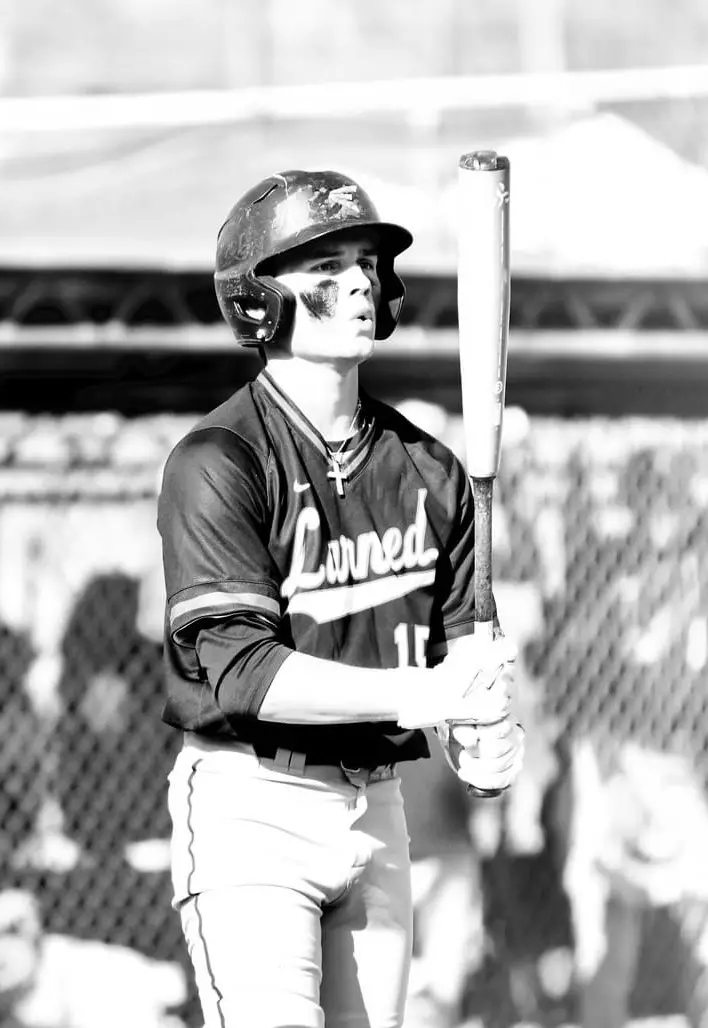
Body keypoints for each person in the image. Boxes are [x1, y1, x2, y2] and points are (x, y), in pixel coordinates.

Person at [157, 168, 525, 1028]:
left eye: (366, 263)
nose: (359, 281)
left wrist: (485, 735)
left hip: (379, 807)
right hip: (253, 806)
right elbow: (249, 678)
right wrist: (424, 697)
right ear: (258, 300)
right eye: (325, 266)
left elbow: (463, 654)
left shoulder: (431, 469)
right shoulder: (219, 461)